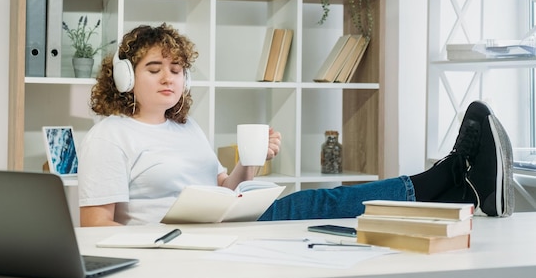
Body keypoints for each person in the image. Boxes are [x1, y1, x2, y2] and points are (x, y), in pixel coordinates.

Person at [78, 23, 514, 227]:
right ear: (124, 78)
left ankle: (457, 188)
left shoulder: (185, 128)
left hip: (226, 223)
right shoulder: (110, 136)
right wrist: (168, 242)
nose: (169, 77)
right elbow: (96, 226)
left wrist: (250, 166)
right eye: (154, 68)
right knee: (324, 204)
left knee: (326, 204)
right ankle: (452, 176)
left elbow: (220, 189)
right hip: (184, 244)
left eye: (176, 68)